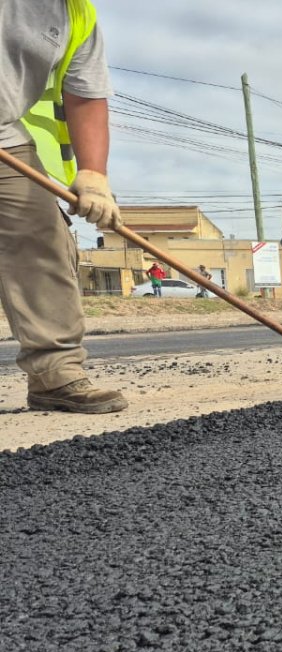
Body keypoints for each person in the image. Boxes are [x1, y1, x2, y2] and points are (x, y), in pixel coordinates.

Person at [1, 0, 126, 413]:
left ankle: (54, 374)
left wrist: (94, 175)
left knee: (41, 239)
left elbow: (85, 94)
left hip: (4, 136)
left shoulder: (76, 13)